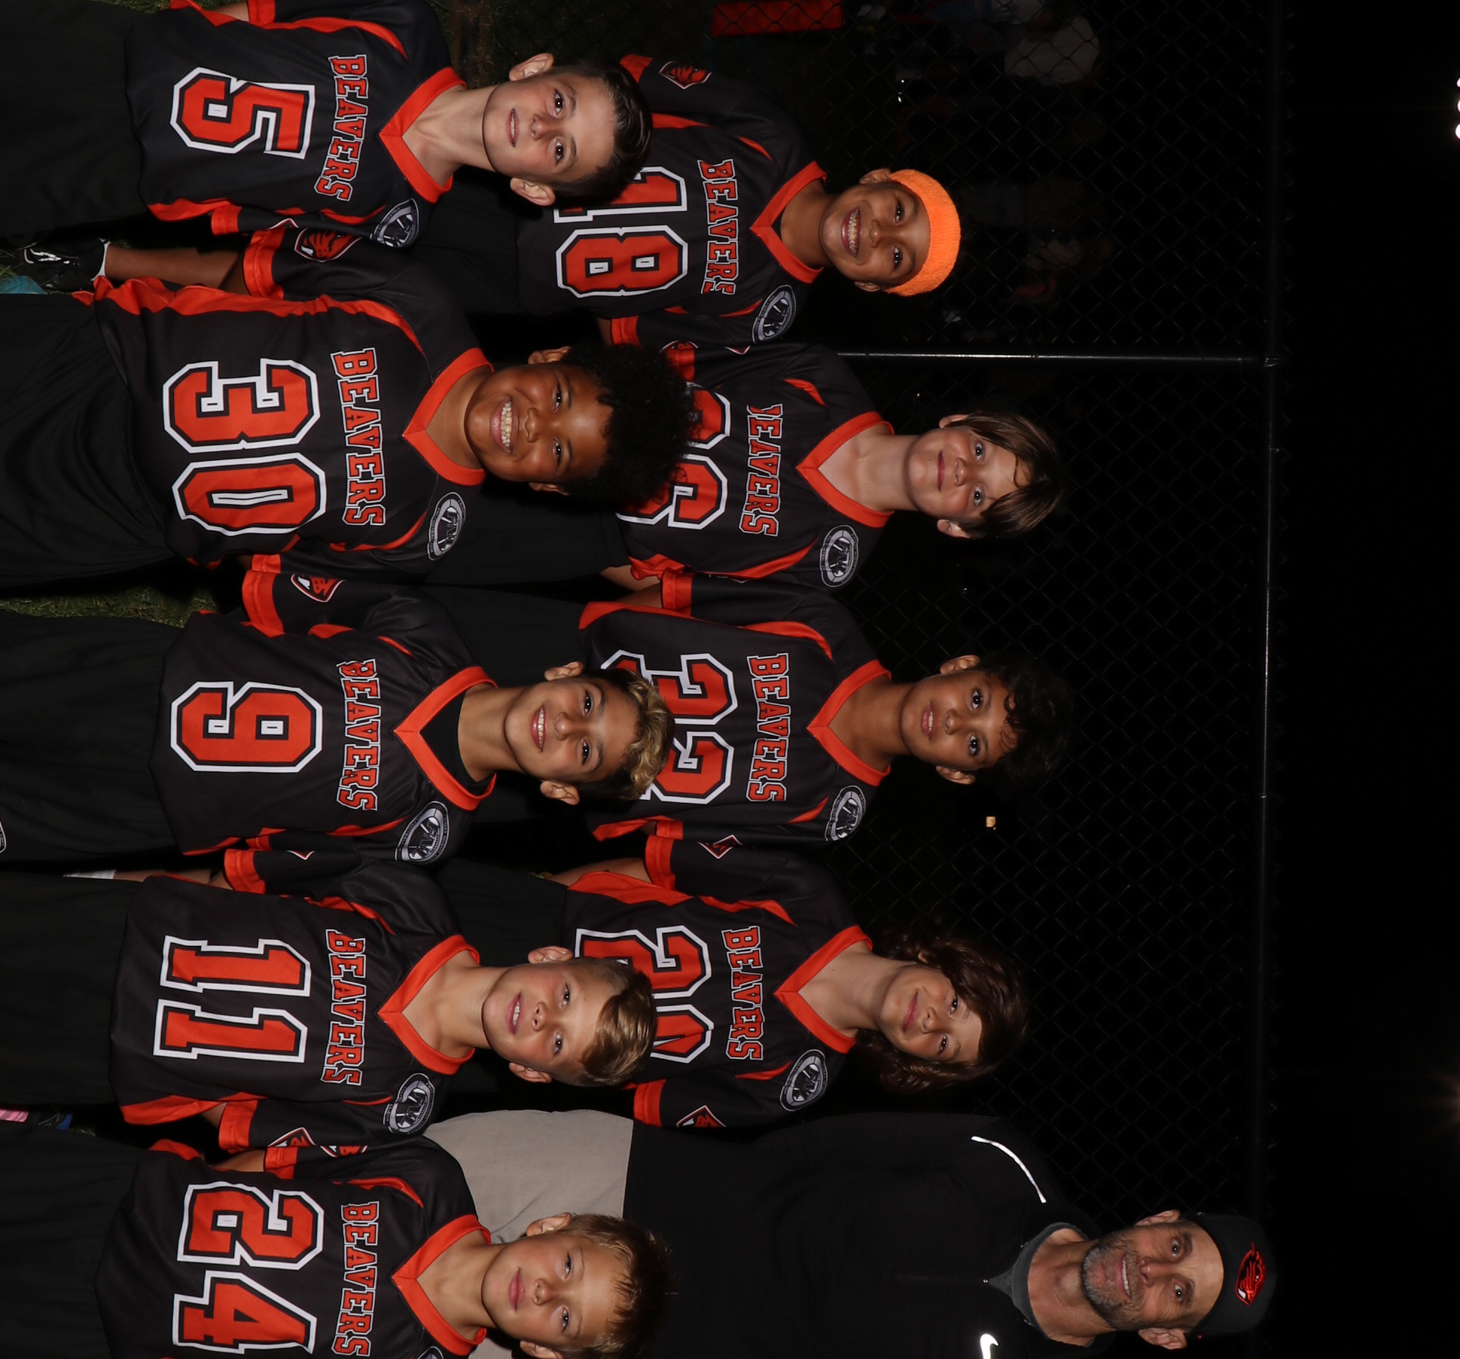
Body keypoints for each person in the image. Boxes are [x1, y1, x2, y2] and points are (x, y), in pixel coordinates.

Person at [418, 1108, 1275, 1359]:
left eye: (1179, 1294)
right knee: (402, 1178)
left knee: (392, 1355)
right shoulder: (998, 1161)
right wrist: (726, 1202)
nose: (1152, 1272)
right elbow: (821, 1146)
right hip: (632, 1186)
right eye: (1175, 1247)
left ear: (1167, 1336)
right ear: (1158, 1221)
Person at [0, 250, 693, 595]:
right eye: (558, 398)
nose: (531, 426)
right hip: (109, 359)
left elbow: (274, 560)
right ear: (552, 355)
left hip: (121, 511)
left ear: (548, 489)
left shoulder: (427, 531)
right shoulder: (417, 302)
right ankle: (21, 310)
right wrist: (107, 262)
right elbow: (248, 274)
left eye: (558, 453)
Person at [0, 1115, 673, 1359]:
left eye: (566, 1317)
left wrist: (199, 1340)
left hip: (118, 1326)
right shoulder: (430, 1176)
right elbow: (279, 1160)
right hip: (125, 1202)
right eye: (569, 1265)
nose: (547, 1291)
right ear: (552, 1225)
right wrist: (198, 1202)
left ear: (546, 1353)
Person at [0, 853, 655, 1141]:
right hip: (116, 931)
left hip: (110, 1058)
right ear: (551, 956)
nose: (542, 1017)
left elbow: (237, 1119)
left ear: (532, 1073)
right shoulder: (411, 901)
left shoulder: (397, 1107)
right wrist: (113, 887)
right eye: (564, 994)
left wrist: (169, 1078)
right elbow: (237, 880)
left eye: (556, 1042)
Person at [0, 0, 648, 260]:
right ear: (536, 69)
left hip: (123, 175)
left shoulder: (394, 220)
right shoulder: (405, 24)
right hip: (116, 56)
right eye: (559, 104)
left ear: (535, 189)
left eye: (559, 152)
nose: (542, 127)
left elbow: (256, 224)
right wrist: (184, 39)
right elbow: (266, 10)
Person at [0, 597, 672, 878]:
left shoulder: (429, 831)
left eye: (585, 750)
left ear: (561, 788)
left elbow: (276, 860)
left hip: (145, 804)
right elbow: (278, 594)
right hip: (145, 676)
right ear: (569, 670)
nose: (567, 725)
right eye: (587, 702)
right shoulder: (423, 629)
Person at [253, 574, 1074, 845]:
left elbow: (674, 842)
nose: (954, 723)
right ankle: (243, 629)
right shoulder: (824, 629)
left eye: (973, 745)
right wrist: (577, 639)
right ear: (960, 667)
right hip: (559, 660)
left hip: (553, 779)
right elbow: (672, 595)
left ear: (956, 775)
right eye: (975, 701)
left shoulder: (831, 813)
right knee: (347, 657)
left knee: (336, 785)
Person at [440, 840, 1030, 1129]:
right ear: (938, 960)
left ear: (920, 1063)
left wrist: (543, 1065)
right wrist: (538, 893)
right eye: (956, 1002)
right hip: (542, 927)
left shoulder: (795, 1081)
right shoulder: (808, 894)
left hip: (525, 1047)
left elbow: (636, 1099)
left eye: (944, 1044)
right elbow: (655, 870)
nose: (933, 1020)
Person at [416, 51, 962, 337]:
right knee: (392, 190)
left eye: (897, 257)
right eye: (898, 211)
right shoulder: (770, 133)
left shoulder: (765, 313)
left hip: (520, 287)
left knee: (389, 283)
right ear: (878, 178)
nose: (879, 232)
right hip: (505, 185)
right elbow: (629, 85)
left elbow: (630, 330)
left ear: (871, 284)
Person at [595, 330, 1064, 590]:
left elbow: (671, 590)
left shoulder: (828, 564)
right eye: (979, 451)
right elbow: (670, 359)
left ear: (957, 528)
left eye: (979, 495)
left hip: (592, 530)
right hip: (587, 416)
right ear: (960, 420)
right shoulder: (821, 375)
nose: (963, 471)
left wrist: (582, 545)